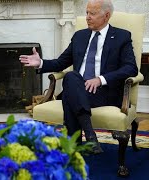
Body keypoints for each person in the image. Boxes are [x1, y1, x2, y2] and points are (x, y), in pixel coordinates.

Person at [19, 0, 138, 154]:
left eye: (92, 13)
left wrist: (100, 79)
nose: (87, 17)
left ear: (106, 16)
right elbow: (61, 62)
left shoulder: (122, 36)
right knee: (71, 77)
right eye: (87, 12)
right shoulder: (79, 36)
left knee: (69, 93)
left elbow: (131, 68)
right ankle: (90, 136)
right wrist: (40, 62)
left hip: (104, 93)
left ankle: (74, 147)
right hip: (79, 89)